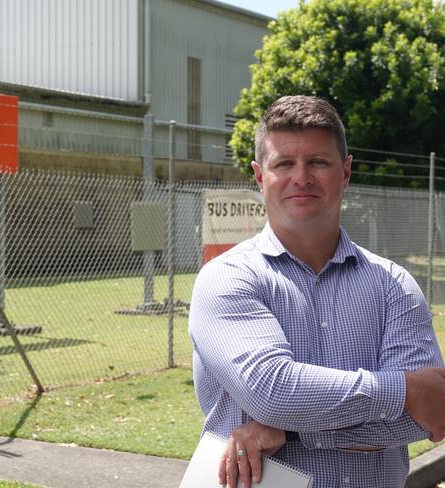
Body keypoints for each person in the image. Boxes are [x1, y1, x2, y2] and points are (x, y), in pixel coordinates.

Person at [188, 95, 445, 488]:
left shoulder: (394, 285)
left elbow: (425, 415)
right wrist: (406, 389)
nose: (301, 177)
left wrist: (288, 433)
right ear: (260, 177)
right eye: (284, 163)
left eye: (318, 162)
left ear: (345, 172)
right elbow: (272, 391)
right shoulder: (227, 278)